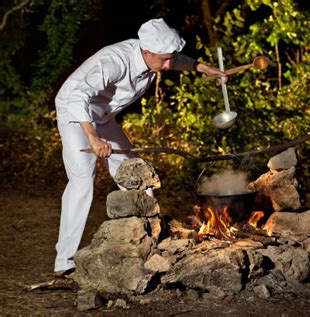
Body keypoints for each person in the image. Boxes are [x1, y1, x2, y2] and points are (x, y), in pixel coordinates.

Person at [53, 18, 226, 277]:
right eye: (164, 59)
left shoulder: (155, 56)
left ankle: (149, 240)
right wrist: (93, 138)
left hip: (104, 117)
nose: (169, 65)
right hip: (75, 113)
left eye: (171, 58)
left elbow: (177, 60)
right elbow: (79, 96)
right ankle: (64, 262)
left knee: (136, 174)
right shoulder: (114, 61)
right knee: (82, 180)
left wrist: (205, 68)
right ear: (147, 52)